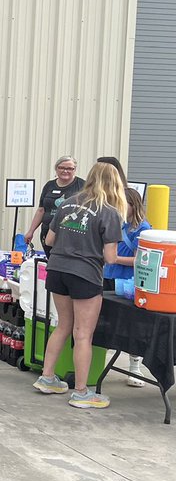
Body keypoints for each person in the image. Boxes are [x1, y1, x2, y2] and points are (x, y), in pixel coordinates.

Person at [32, 163, 134, 408]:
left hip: (56, 269)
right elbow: (110, 258)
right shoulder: (108, 211)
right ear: (115, 184)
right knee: (83, 334)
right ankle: (81, 392)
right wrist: (135, 260)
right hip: (85, 274)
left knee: (63, 326)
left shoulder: (67, 202)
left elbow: (49, 238)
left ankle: (47, 378)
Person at [104, 188, 150, 387]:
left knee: (132, 326)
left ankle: (134, 367)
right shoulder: (114, 222)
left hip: (128, 283)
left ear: (133, 205)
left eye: (123, 203)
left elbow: (142, 260)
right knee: (103, 322)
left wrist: (114, 259)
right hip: (107, 276)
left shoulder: (143, 229)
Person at [23, 157, 84, 256]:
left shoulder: (82, 186)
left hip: (70, 233)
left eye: (69, 168)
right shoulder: (49, 185)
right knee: (51, 261)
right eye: (61, 167)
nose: (65, 171)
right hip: (48, 231)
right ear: (56, 169)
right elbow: (41, 210)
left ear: (75, 170)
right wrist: (31, 231)